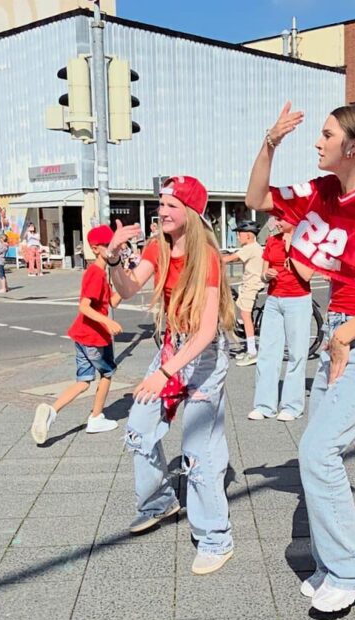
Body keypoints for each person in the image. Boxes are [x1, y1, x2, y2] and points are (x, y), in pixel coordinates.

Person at [246, 102, 355, 612]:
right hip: (341, 332)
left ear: (353, 145)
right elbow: (257, 198)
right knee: (317, 454)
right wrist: (270, 142)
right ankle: (331, 562)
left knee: (318, 453)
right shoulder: (322, 192)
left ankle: (353, 567)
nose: (317, 143)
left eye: (326, 135)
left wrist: (343, 339)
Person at [104, 176, 236, 576]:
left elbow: (208, 330)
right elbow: (126, 289)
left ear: (191, 213)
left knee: (199, 453)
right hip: (170, 348)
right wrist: (112, 259)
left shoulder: (206, 257)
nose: (161, 211)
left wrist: (165, 373)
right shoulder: (156, 248)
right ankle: (160, 501)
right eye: (160, 203)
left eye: (171, 205)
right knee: (139, 430)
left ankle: (216, 538)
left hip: (203, 355)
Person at [32, 225, 122, 443]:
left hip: (83, 336)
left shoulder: (100, 272)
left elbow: (110, 302)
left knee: (83, 382)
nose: (114, 249)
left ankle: (51, 413)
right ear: (96, 249)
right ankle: (96, 417)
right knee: (108, 373)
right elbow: (84, 306)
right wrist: (107, 321)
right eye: (110, 245)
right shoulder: (96, 273)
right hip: (94, 337)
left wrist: (129, 284)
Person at [249, 216, 312, 422]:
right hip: (274, 299)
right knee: (268, 352)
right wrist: (266, 275)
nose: (275, 222)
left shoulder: (305, 240)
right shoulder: (272, 240)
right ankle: (264, 405)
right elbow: (263, 273)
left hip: (298, 300)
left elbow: (307, 275)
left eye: (280, 218)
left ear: (293, 218)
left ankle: (292, 406)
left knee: (297, 353)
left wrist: (291, 250)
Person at [222, 220, 264, 367]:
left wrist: (212, 259)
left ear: (248, 236)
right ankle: (248, 346)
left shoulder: (250, 248)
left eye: (239, 235)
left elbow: (229, 259)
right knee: (245, 313)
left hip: (251, 286)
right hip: (250, 284)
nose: (238, 237)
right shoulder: (253, 247)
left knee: (245, 315)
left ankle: (252, 352)